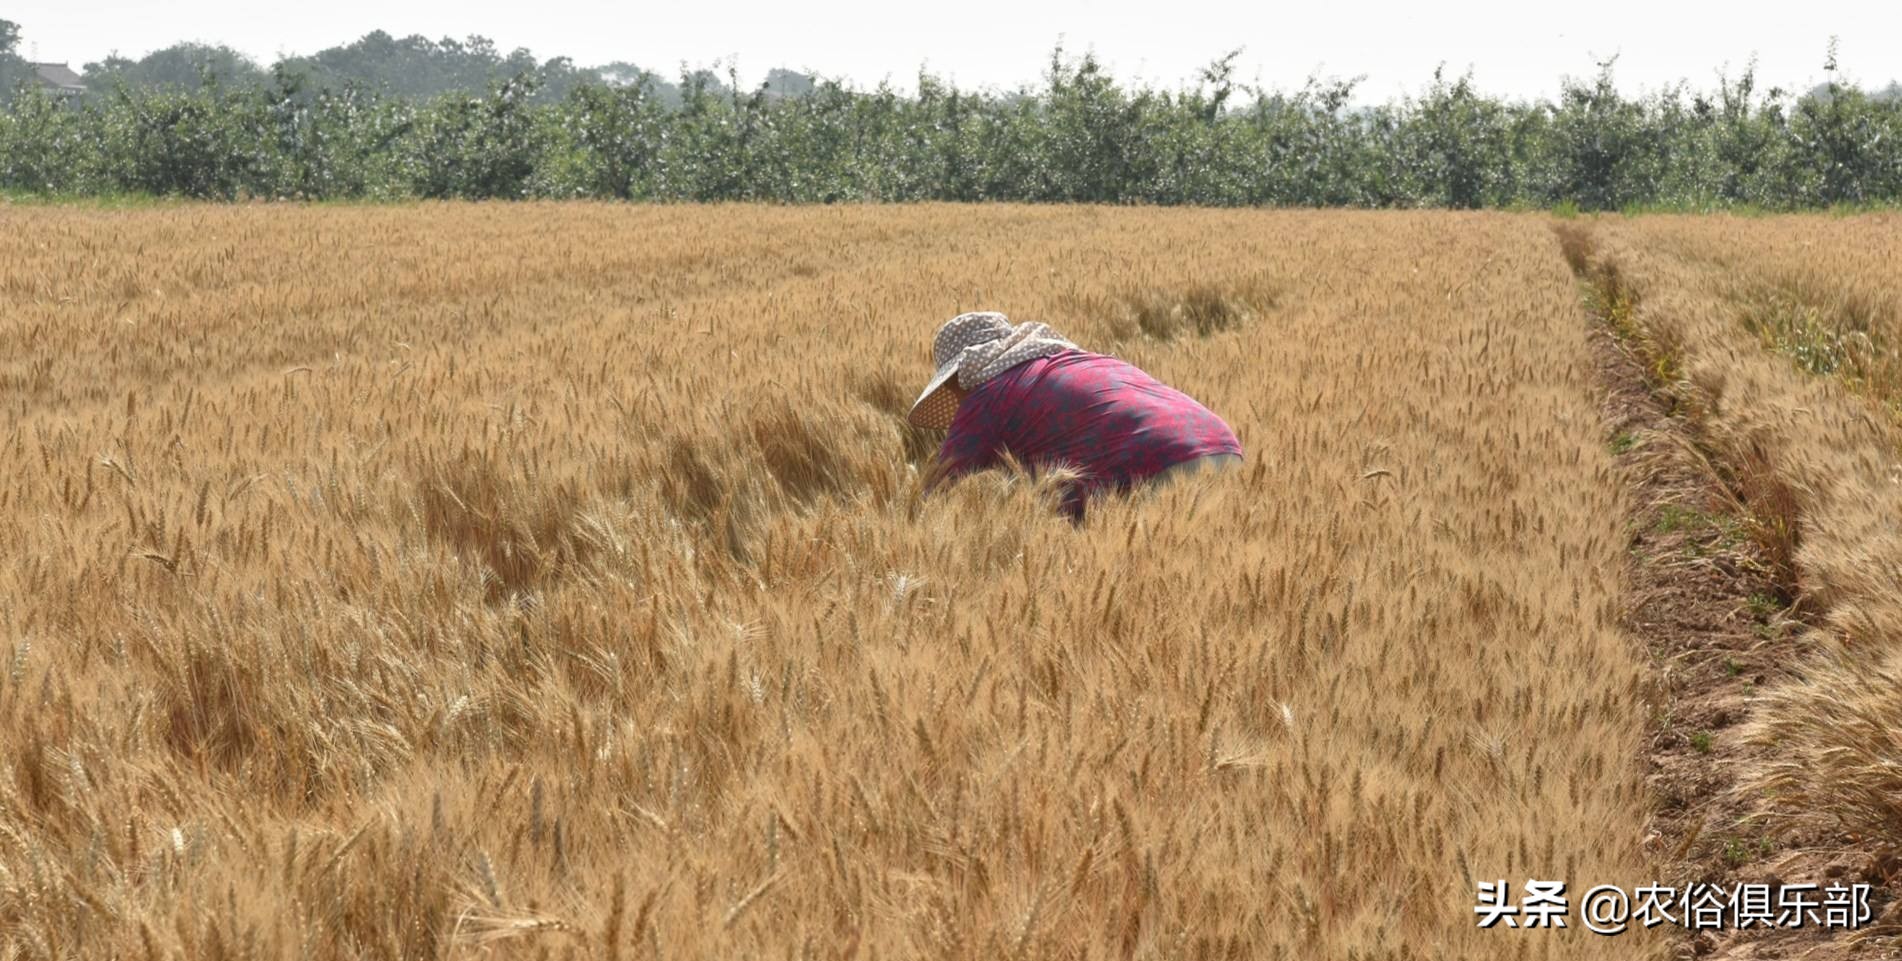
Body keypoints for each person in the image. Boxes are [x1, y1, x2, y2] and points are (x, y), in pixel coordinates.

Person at [909, 311, 1243, 520]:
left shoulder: (986, 395)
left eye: (950, 385)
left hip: (1154, 469)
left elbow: (938, 496)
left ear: (962, 373)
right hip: (1223, 447)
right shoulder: (1080, 360)